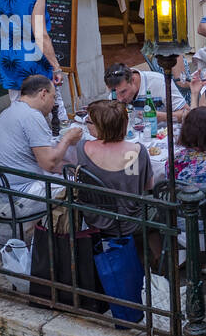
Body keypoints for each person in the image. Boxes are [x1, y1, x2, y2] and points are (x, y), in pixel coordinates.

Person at [0, 74, 81, 218]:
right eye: (53, 97)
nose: (54, 104)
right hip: (12, 200)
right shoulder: (32, 116)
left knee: (65, 176)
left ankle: (40, 232)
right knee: (80, 188)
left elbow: (42, 160)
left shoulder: (10, 110)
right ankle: (68, 237)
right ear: (43, 94)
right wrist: (67, 139)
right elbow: (49, 164)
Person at [0, 0, 68, 126]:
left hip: (9, 59)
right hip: (32, 62)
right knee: (53, 114)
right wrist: (56, 67)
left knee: (20, 114)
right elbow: (41, 35)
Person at [64, 99, 154, 236]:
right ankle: (157, 255)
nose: (86, 126)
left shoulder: (83, 148)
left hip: (97, 220)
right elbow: (148, 186)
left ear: (100, 126)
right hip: (132, 220)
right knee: (161, 209)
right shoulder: (136, 151)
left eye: (89, 122)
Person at [103, 61, 188, 120]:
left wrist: (162, 117)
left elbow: (187, 113)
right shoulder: (116, 92)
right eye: (114, 93)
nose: (120, 99)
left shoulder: (159, 82)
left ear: (132, 80)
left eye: (123, 92)